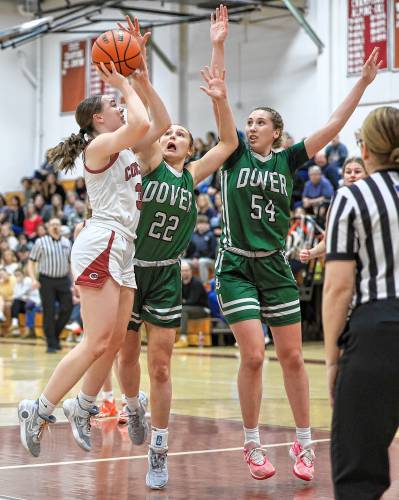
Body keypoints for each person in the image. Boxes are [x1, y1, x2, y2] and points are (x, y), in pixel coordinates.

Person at [214, 43, 381, 483]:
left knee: (291, 357)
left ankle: (304, 444)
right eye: (248, 121)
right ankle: (252, 443)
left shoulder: (289, 160)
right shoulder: (233, 153)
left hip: (274, 265)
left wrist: (362, 83)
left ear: (277, 133)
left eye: (260, 122)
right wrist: (218, 55)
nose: (251, 127)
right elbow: (218, 100)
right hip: (235, 266)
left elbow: (334, 124)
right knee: (252, 355)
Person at [17, 44, 162, 458]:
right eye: (112, 104)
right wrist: (122, 82)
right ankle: (40, 410)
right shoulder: (97, 149)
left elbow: (158, 122)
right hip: (103, 241)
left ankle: (82, 406)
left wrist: (140, 77)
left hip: (122, 245)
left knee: (113, 341)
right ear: (99, 119)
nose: (119, 107)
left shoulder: (125, 148)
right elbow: (140, 121)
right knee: (96, 340)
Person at [116, 7, 237, 490]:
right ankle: (132, 407)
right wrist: (142, 78)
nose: (170, 135)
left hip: (165, 271)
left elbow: (228, 141)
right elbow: (156, 120)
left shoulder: (192, 174)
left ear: (188, 148)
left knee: (160, 363)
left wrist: (219, 94)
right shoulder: (147, 163)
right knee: (125, 358)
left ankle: (160, 449)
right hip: (129, 267)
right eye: (167, 133)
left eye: (179, 135)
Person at [323, 106, 399, 500]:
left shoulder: (353, 197)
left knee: (360, 473)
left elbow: (338, 288)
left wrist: (334, 359)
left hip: (379, 329)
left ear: (365, 150)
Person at [299, 157, 366, 264]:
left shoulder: (375, 199)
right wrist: (311, 253)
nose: (352, 175)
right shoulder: (337, 200)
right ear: (343, 176)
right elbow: (328, 239)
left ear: (367, 174)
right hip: (347, 263)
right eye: (348, 172)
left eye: (357, 172)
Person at [26, 218, 73, 352]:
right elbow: (31, 262)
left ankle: (54, 336)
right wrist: (33, 279)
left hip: (63, 280)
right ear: (48, 228)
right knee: (49, 312)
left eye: (57, 224)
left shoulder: (67, 242)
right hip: (46, 280)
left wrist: (73, 281)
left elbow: (70, 263)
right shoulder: (40, 242)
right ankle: (51, 344)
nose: (55, 227)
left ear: (61, 227)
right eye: (52, 225)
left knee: (67, 308)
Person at [175, 260, 210, 348]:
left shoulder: (196, 283)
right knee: (179, 309)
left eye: (187, 270)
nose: (185, 273)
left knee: (183, 310)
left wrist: (182, 302)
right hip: (189, 309)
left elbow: (193, 301)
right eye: (183, 271)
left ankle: (183, 339)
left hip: (202, 309)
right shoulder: (180, 283)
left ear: (191, 271)